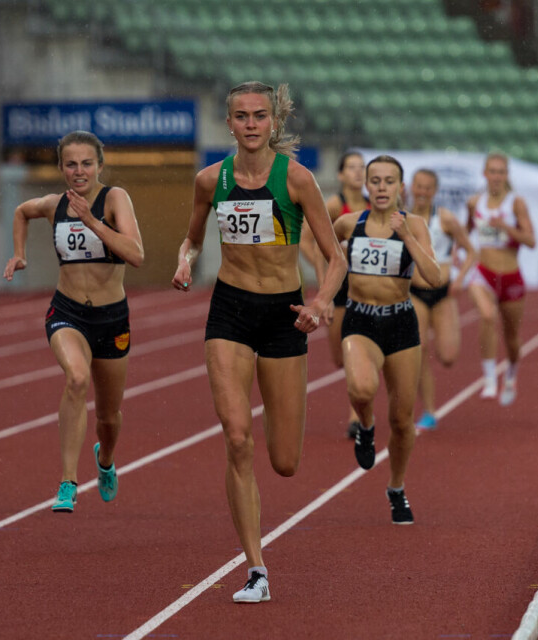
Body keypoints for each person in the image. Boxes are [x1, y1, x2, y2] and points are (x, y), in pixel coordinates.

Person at [171, 81, 346, 603]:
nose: (250, 124)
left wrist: (318, 304)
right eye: (241, 116)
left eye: (259, 115)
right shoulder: (210, 181)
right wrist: (184, 259)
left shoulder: (296, 179)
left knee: (285, 460)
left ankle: (257, 560)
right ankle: (256, 569)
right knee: (237, 435)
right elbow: (194, 237)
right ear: (228, 123)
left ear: (274, 122)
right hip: (228, 311)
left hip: (283, 316)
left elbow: (335, 257)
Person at [3, 130, 144, 513]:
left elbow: (136, 254)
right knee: (77, 379)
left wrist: (94, 223)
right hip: (67, 312)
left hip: (111, 318)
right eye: (71, 164)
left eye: (86, 163)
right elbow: (21, 212)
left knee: (109, 417)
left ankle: (105, 460)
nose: (78, 171)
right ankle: (67, 481)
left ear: (99, 164)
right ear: (61, 167)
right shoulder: (53, 204)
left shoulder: (115, 199)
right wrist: (19, 254)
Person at [334, 155, 442, 525]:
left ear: (401, 187)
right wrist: (325, 291)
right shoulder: (349, 223)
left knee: (401, 421)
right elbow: (328, 252)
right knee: (361, 389)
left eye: (389, 181)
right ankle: (365, 427)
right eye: (375, 181)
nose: (381, 188)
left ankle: (396, 488)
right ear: (366, 186)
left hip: (400, 324)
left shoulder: (415, 225)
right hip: (360, 320)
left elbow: (433, 276)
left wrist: (407, 235)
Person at [300, 150, 369, 439]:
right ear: (340, 175)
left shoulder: (373, 205)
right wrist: (324, 286)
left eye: (361, 167)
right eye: (351, 168)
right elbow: (308, 241)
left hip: (366, 287)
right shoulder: (333, 205)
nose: (357, 172)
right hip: (339, 286)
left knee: (360, 350)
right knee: (340, 357)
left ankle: (358, 416)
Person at [461, 152, 536, 406]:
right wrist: (458, 250)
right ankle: (490, 378)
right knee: (486, 316)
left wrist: (507, 228)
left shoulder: (516, 204)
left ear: (506, 175)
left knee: (512, 337)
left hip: (511, 277)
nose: (496, 177)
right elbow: (468, 229)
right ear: (485, 174)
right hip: (484, 272)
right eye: (492, 171)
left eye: (501, 172)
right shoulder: (474, 203)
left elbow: (531, 241)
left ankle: (511, 374)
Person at [406, 168, 476, 430]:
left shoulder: (445, 219)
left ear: (434, 191)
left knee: (448, 356)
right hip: (415, 294)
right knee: (419, 350)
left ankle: (429, 408)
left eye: (427, 188)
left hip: (444, 293)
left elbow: (470, 251)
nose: (422, 192)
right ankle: (429, 411)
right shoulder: (403, 219)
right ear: (412, 187)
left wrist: (459, 281)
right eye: (418, 186)